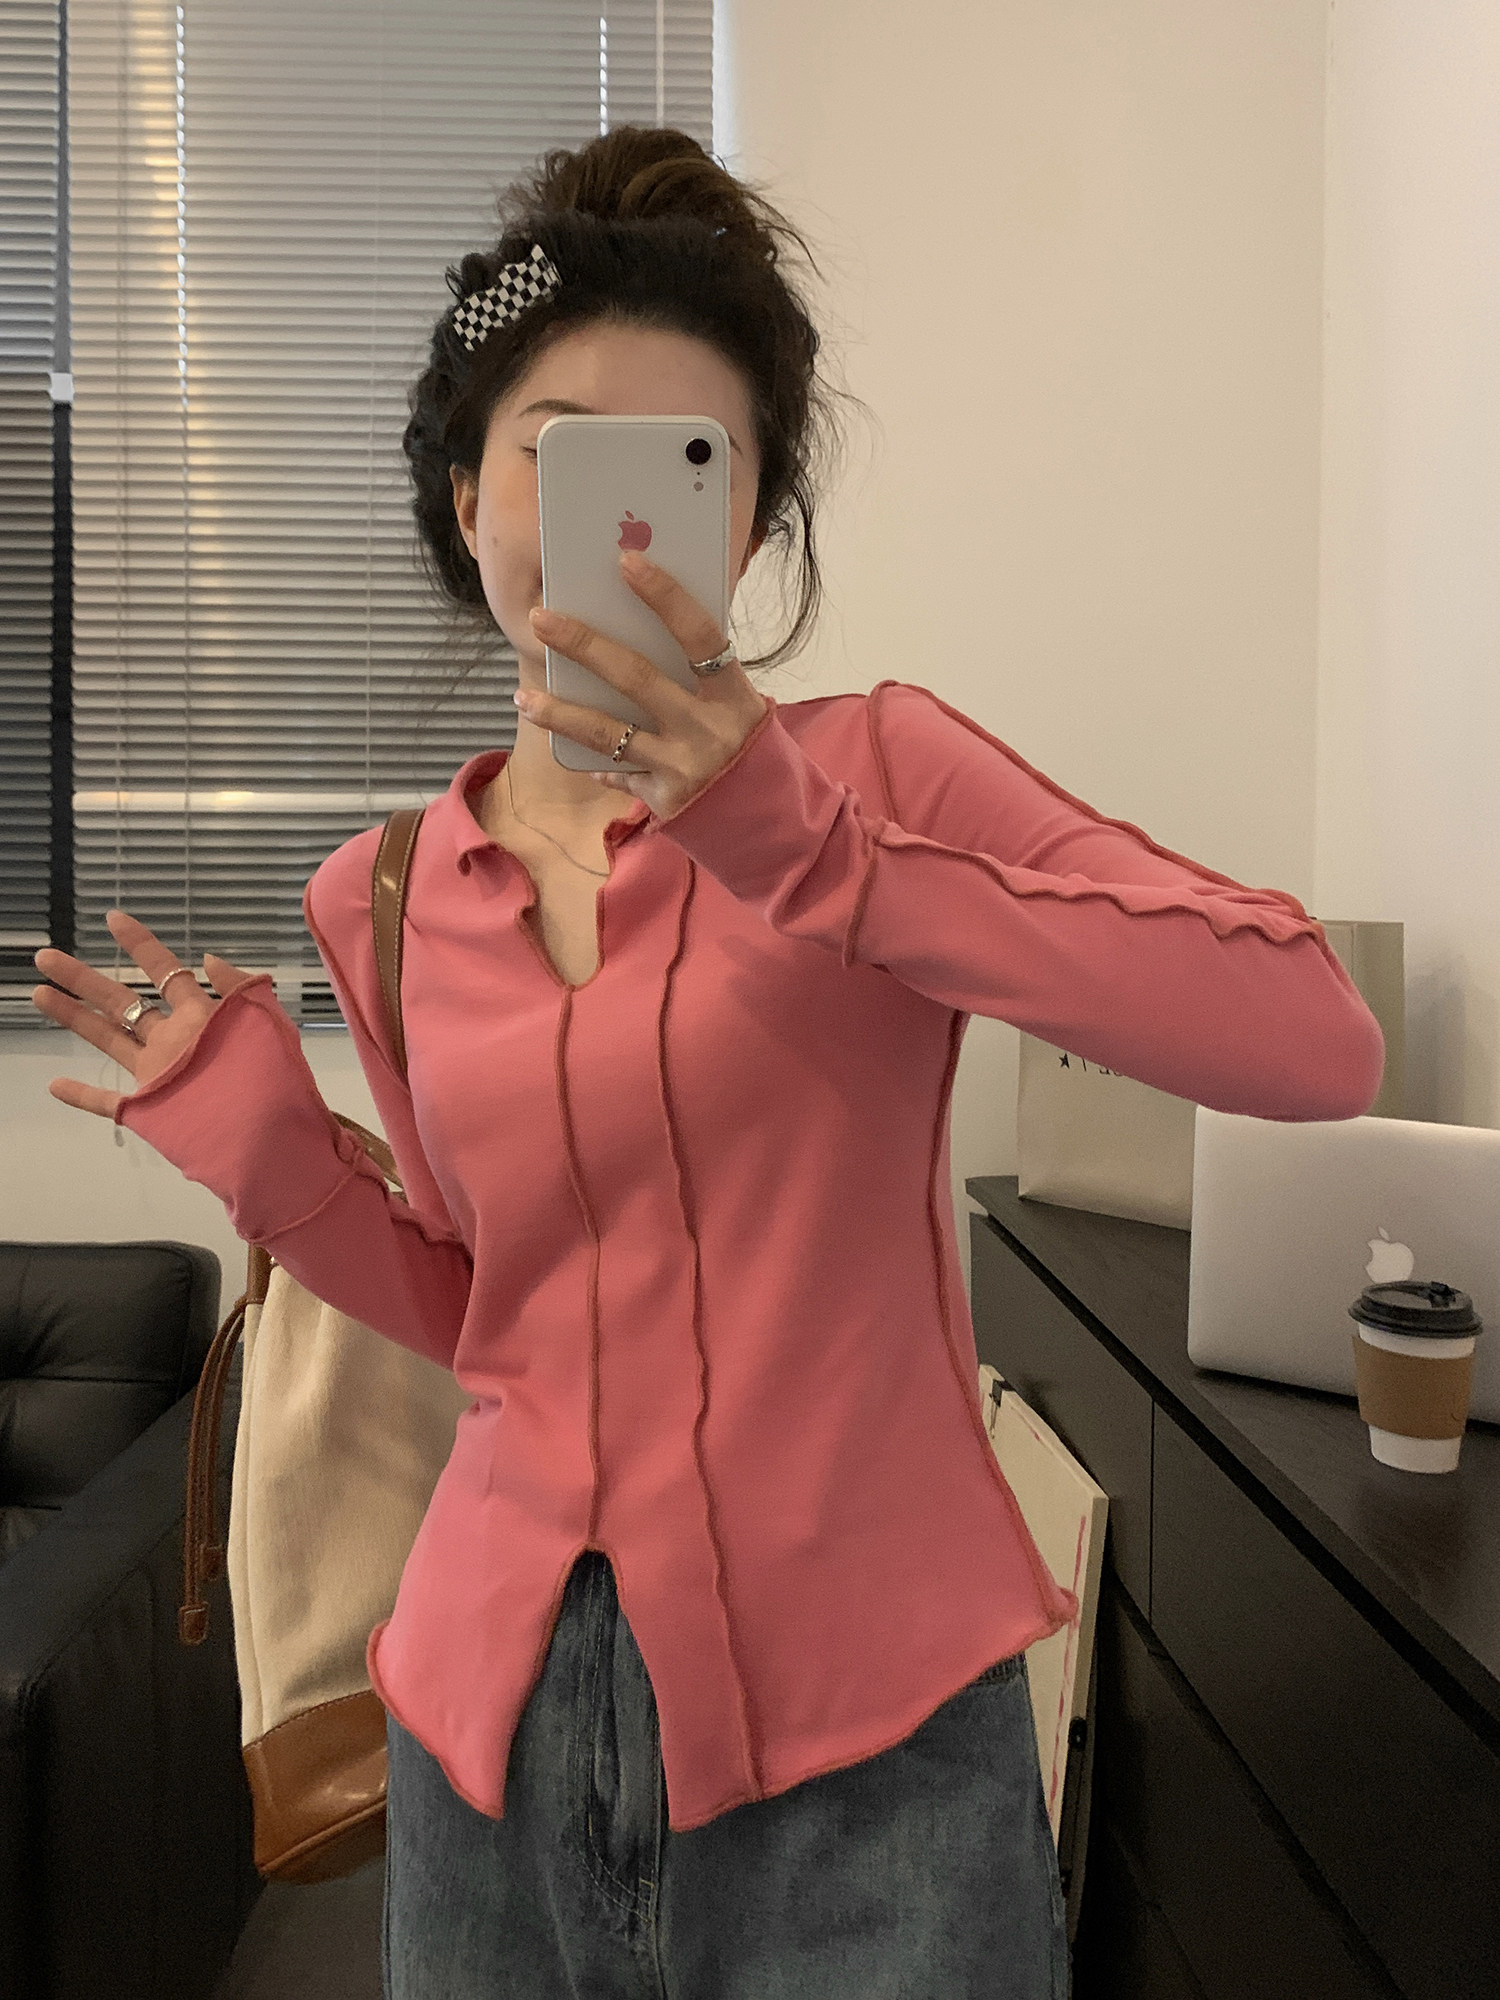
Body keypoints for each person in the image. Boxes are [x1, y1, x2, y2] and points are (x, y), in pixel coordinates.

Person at [32, 127, 1385, 2000]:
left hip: (874, 1767)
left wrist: (823, 859)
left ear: (745, 522)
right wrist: (270, 1157)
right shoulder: (384, 892)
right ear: (467, 496)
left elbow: (1315, 1036)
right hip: (488, 1755)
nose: (624, 517)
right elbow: (486, 1316)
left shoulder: (878, 777)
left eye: (689, 462)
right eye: (555, 448)